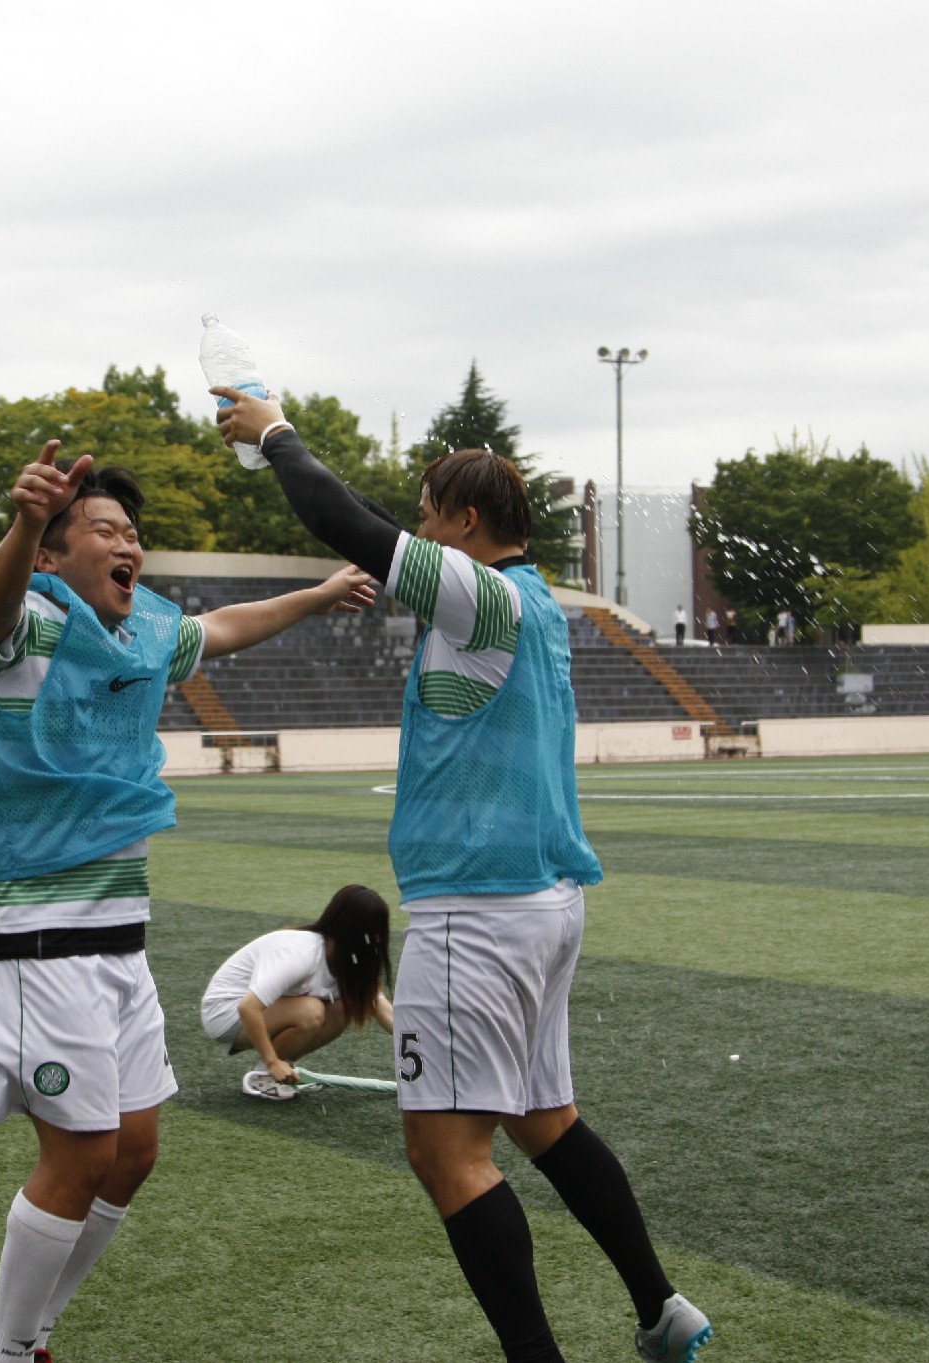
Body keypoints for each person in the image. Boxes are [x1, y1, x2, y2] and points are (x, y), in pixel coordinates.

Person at [216, 387, 714, 1363]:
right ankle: (660, 1307)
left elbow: (345, 522)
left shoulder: (480, 595)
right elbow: (381, 537)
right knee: (543, 1119)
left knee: (446, 1152)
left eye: (428, 515)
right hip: (544, 902)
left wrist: (271, 430)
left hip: (476, 912)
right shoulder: (538, 602)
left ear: (467, 521)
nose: (416, 531)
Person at [0, 443, 372, 1363]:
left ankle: (24, 1334)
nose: (126, 543)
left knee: (133, 1151)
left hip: (116, 936)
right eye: (103, 529)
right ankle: (5, 1354)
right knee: (79, 1154)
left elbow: (223, 626)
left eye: (132, 532)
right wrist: (25, 521)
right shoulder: (20, 622)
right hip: (31, 936)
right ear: (54, 555)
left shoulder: (143, 628)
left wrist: (317, 594)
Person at [201, 883, 396, 1099]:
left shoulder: (351, 961)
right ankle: (265, 1075)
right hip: (225, 1014)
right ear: (350, 928)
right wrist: (272, 1062)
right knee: (311, 1011)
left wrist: (420, 1045)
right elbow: (248, 1007)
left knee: (344, 1007)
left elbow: (387, 1014)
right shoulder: (302, 953)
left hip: (260, 1012)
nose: (377, 940)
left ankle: (281, 1072)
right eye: (372, 931)